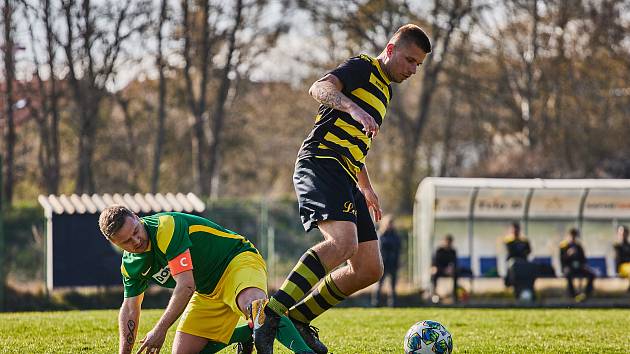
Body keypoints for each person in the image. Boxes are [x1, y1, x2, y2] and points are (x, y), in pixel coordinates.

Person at [250, 24, 432, 354]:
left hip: (347, 174)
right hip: (320, 161)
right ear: (390, 50)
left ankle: (299, 318)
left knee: (369, 269)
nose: (412, 70)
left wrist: (367, 187)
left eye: (418, 64)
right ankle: (269, 316)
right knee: (342, 243)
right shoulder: (363, 67)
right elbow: (319, 88)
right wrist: (351, 106)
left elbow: (355, 145)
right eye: (409, 60)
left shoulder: (386, 91)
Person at [98, 205, 314, 354]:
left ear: (136, 216)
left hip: (236, 262)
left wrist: (160, 329)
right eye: (126, 241)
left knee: (255, 306)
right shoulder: (130, 265)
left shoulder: (165, 227)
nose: (136, 240)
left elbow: (186, 285)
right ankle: (247, 332)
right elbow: (130, 308)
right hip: (206, 291)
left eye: (136, 231)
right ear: (115, 244)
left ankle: (304, 350)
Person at [372, 215, 402, 307]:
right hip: (383, 263)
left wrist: (397, 261)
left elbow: (398, 249)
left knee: (393, 286)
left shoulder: (396, 236)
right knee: (379, 285)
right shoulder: (380, 235)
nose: (390, 225)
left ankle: (393, 304)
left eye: (392, 223)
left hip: (393, 263)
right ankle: (376, 303)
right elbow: (379, 249)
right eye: (389, 223)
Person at [503, 222, 536, 300]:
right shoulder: (508, 241)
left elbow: (528, 251)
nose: (515, 231)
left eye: (517, 229)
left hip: (523, 264)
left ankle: (529, 293)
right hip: (513, 264)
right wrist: (520, 251)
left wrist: (521, 252)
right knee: (514, 270)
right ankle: (516, 291)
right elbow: (511, 252)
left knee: (530, 270)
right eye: (514, 230)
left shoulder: (524, 241)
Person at [559, 228, 595, 301]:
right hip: (569, 268)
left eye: (574, 236)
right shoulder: (563, 246)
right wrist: (568, 255)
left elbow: (584, 259)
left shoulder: (578, 246)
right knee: (568, 274)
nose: (573, 238)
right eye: (571, 236)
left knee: (591, 274)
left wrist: (581, 264)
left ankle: (586, 294)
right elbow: (562, 260)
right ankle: (573, 295)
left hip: (578, 267)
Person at [430, 234, 458, 303]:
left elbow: (454, 262)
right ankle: (434, 295)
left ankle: (454, 296)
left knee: (456, 274)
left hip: (449, 271)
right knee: (434, 275)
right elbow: (435, 263)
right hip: (440, 270)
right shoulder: (439, 251)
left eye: (449, 242)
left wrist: (451, 268)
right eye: (447, 242)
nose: (448, 244)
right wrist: (439, 269)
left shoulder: (453, 251)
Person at [613, 225, 630, 291]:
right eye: (621, 232)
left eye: (624, 232)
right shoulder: (617, 246)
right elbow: (617, 259)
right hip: (622, 267)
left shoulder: (628, 245)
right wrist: (617, 271)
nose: (623, 234)